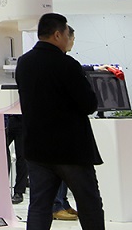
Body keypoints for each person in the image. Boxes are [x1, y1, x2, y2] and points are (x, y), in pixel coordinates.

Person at [15, 13, 103, 230]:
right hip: (70, 150)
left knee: (39, 206)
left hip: (36, 148)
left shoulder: (24, 63)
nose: (67, 38)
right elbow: (89, 104)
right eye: (66, 34)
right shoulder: (67, 65)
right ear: (57, 34)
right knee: (89, 203)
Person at [52, 26, 79, 221]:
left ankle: (62, 202)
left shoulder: (67, 62)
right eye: (72, 38)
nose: (72, 42)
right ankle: (56, 205)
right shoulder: (62, 64)